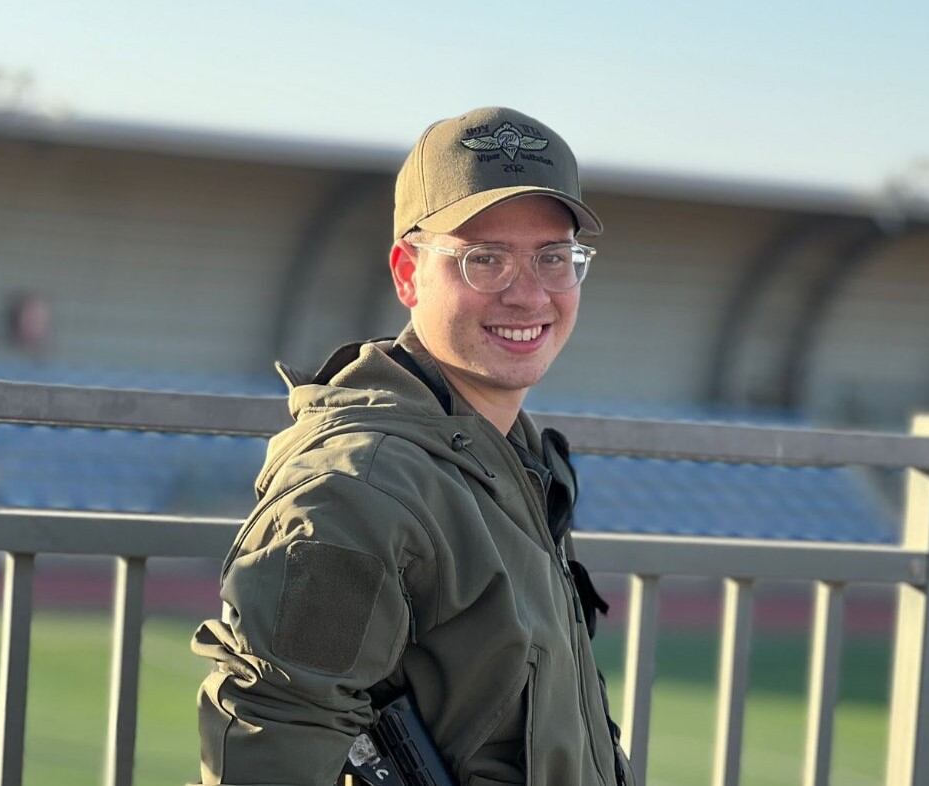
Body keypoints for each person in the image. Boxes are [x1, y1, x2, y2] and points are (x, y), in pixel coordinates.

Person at [192, 106, 633, 786]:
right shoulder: (358, 488)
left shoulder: (509, 457)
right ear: (407, 273)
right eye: (483, 259)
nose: (528, 294)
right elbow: (275, 737)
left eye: (553, 258)